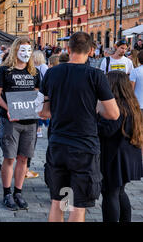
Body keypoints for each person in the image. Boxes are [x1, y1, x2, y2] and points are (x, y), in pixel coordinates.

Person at [39, 32, 120, 222]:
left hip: (58, 144)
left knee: (59, 201)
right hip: (84, 147)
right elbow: (113, 114)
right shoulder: (95, 75)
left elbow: (44, 112)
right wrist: (94, 106)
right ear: (91, 51)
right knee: (78, 205)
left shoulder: (52, 72)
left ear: (68, 49)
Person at [0, 37, 40, 211]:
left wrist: (38, 107)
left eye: (29, 51)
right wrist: (8, 109)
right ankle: (7, 193)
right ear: (15, 51)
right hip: (11, 120)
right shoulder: (5, 70)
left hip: (29, 121)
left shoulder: (34, 72)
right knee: (9, 157)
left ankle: (18, 192)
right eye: (22, 50)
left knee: (23, 158)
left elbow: (36, 95)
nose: (26, 54)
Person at [98, 71, 143, 222]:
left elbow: (107, 130)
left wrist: (95, 114)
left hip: (115, 155)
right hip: (129, 154)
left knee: (110, 193)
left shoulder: (116, 105)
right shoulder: (132, 103)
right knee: (120, 191)